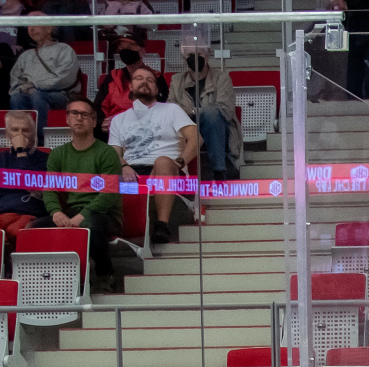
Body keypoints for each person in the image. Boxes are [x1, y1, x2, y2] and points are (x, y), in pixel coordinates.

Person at [108, 66, 197, 247]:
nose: (145, 82)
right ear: (130, 86)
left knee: (162, 161)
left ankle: (162, 225)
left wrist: (180, 162)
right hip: (133, 172)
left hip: (167, 170)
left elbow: (196, 138)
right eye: (139, 78)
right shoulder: (118, 120)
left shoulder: (171, 110)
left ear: (157, 89)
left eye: (150, 80)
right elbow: (113, 152)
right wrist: (124, 165)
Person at [41, 98, 124, 287]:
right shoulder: (57, 154)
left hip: (105, 215)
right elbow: (50, 189)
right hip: (71, 213)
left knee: (90, 226)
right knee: (34, 228)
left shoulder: (107, 153)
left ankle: (105, 275)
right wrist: (56, 212)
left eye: (85, 114)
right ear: (67, 119)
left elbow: (109, 194)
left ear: (94, 122)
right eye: (74, 113)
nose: (79, 118)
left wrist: (81, 216)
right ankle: (48, 282)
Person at [170, 41, 242, 180]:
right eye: (190, 55)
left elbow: (226, 110)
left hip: (218, 128)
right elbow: (171, 108)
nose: (195, 58)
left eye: (199, 54)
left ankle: (219, 171)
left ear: (207, 56)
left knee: (211, 113)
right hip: (187, 129)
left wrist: (191, 111)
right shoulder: (176, 80)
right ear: (184, 58)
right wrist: (194, 113)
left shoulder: (221, 78)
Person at [8, 14, 77, 137]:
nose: (31, 29)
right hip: (29, 93)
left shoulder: (64, 50)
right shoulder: (26, 55)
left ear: (49, 28)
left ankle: (41, 140)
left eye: (36, 24)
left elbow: (65, 78)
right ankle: (21, 138)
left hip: (59, 95)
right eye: (29, 26)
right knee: (16, 98)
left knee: (38, 95)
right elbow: (15, 80)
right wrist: (24, 89)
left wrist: (35, 86)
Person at [0, 111, 49, 237]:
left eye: (25, 130)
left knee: (16, 231)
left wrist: (21, 152)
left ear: (33, 134)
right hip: (1, 215)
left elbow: (29, 182)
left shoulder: (45, 159)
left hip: (29, 214)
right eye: (15, 130)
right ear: (7, 134)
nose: (20, 135)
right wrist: (21, 185)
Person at [95, 32, 144, 122]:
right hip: (113, 126)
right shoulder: (112, 77)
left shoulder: (154, 77)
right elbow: (99, 107)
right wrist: (103, 122)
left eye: (130, 46)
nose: (125, 50)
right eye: (122, 47)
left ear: (142, 51)